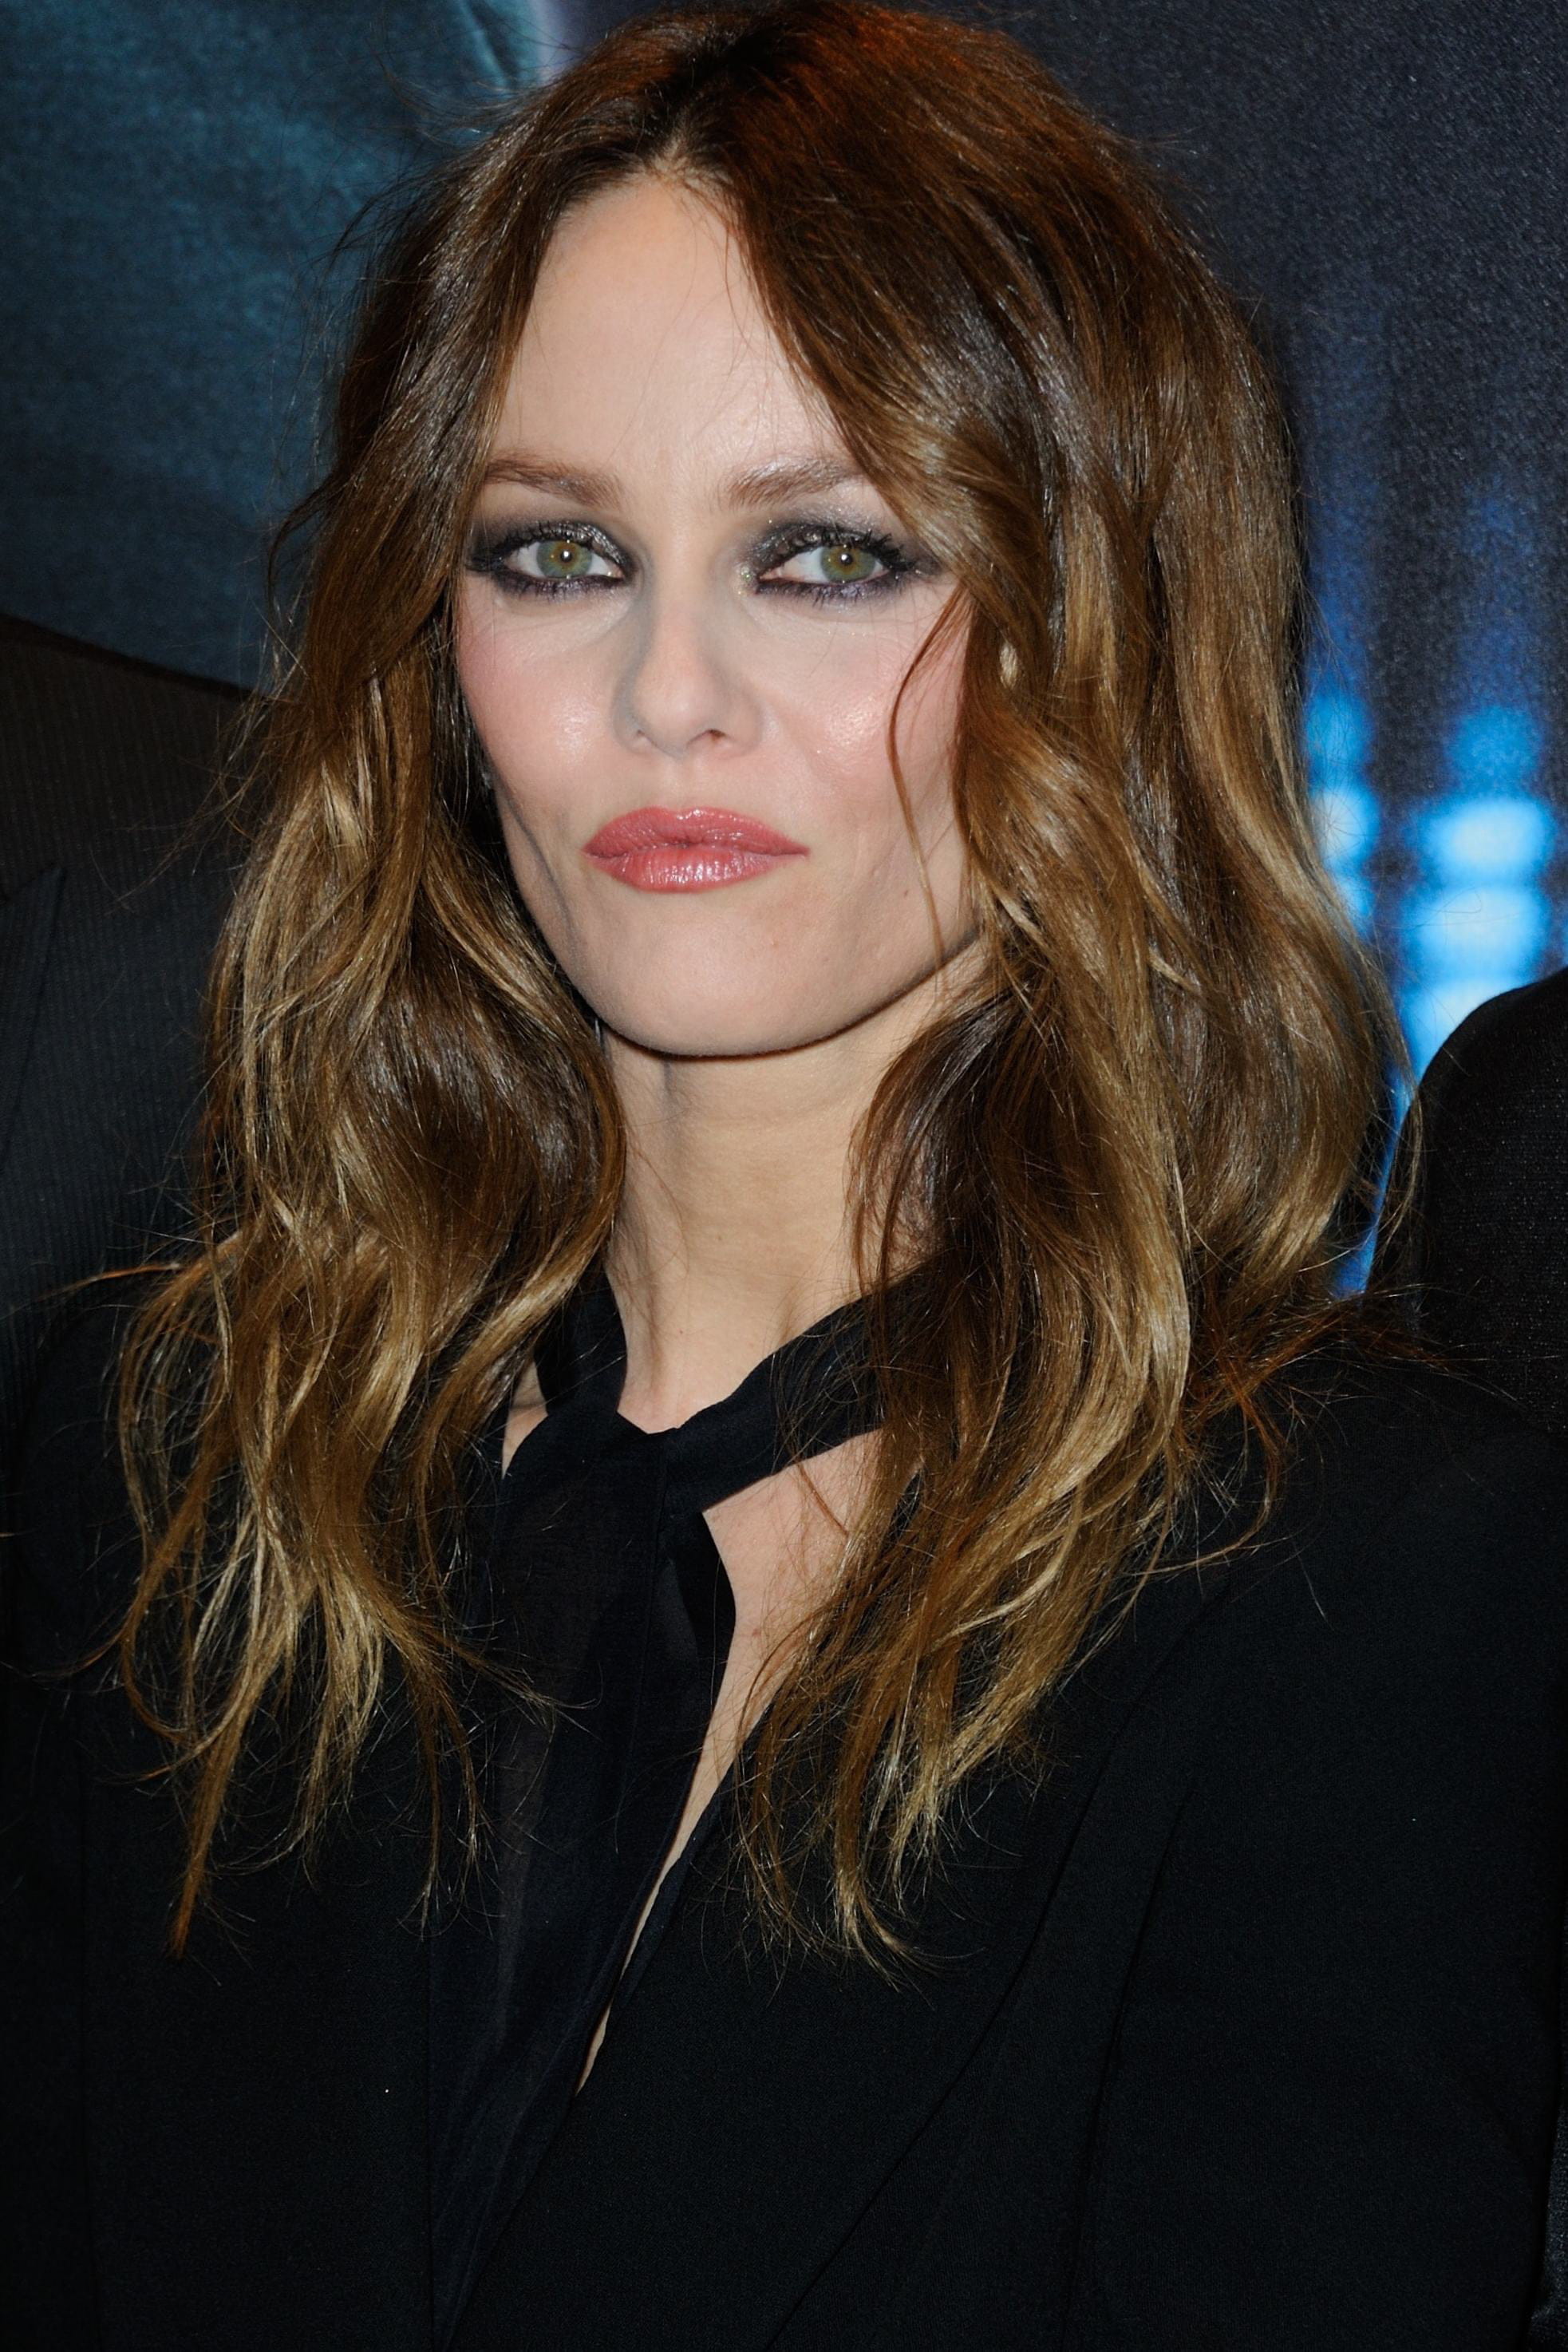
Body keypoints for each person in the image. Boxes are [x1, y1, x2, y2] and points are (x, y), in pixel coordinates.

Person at [3, 6, 1564, 2346]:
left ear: (1089, 624)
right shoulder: (158, 1455)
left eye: (826, 555)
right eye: (558, 552)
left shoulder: (1355, 1589)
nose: (667, 695)